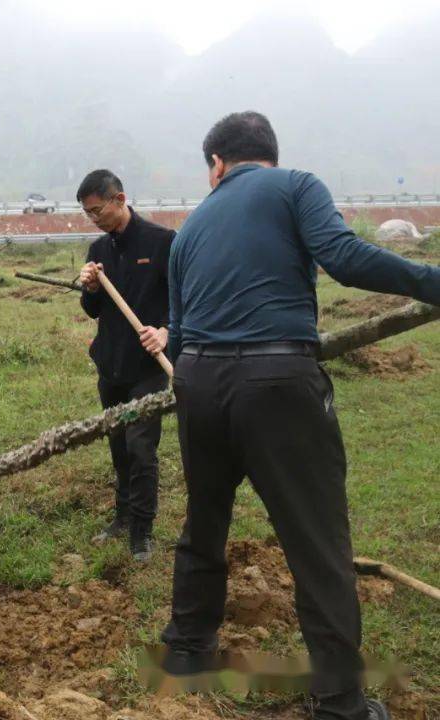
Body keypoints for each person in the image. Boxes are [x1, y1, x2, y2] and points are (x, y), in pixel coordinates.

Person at [162, 111, 440, 720]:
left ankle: (186, 649)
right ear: (269, 154)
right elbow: (341, 256)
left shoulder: (188, 228)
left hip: (198, 384)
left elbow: (178, 336)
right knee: (317, 541)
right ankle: (340, 702)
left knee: (205, 519)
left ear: (216, 165)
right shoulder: (295, 185)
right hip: (277, 381)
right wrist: (431, 281)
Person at [77, 169, 175, 562]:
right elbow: (92, 311)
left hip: (148, 368)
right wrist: (90, 289)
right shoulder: (98, 251)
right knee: (118, 445)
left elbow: (186, 301)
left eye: (98, 210)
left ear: (120, 199)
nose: (94, 219)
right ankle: (121, 516)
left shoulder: (163, 242)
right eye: (87, 214)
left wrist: (168, 332)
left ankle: (142, 531)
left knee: (141, 449)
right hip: (111, 366)